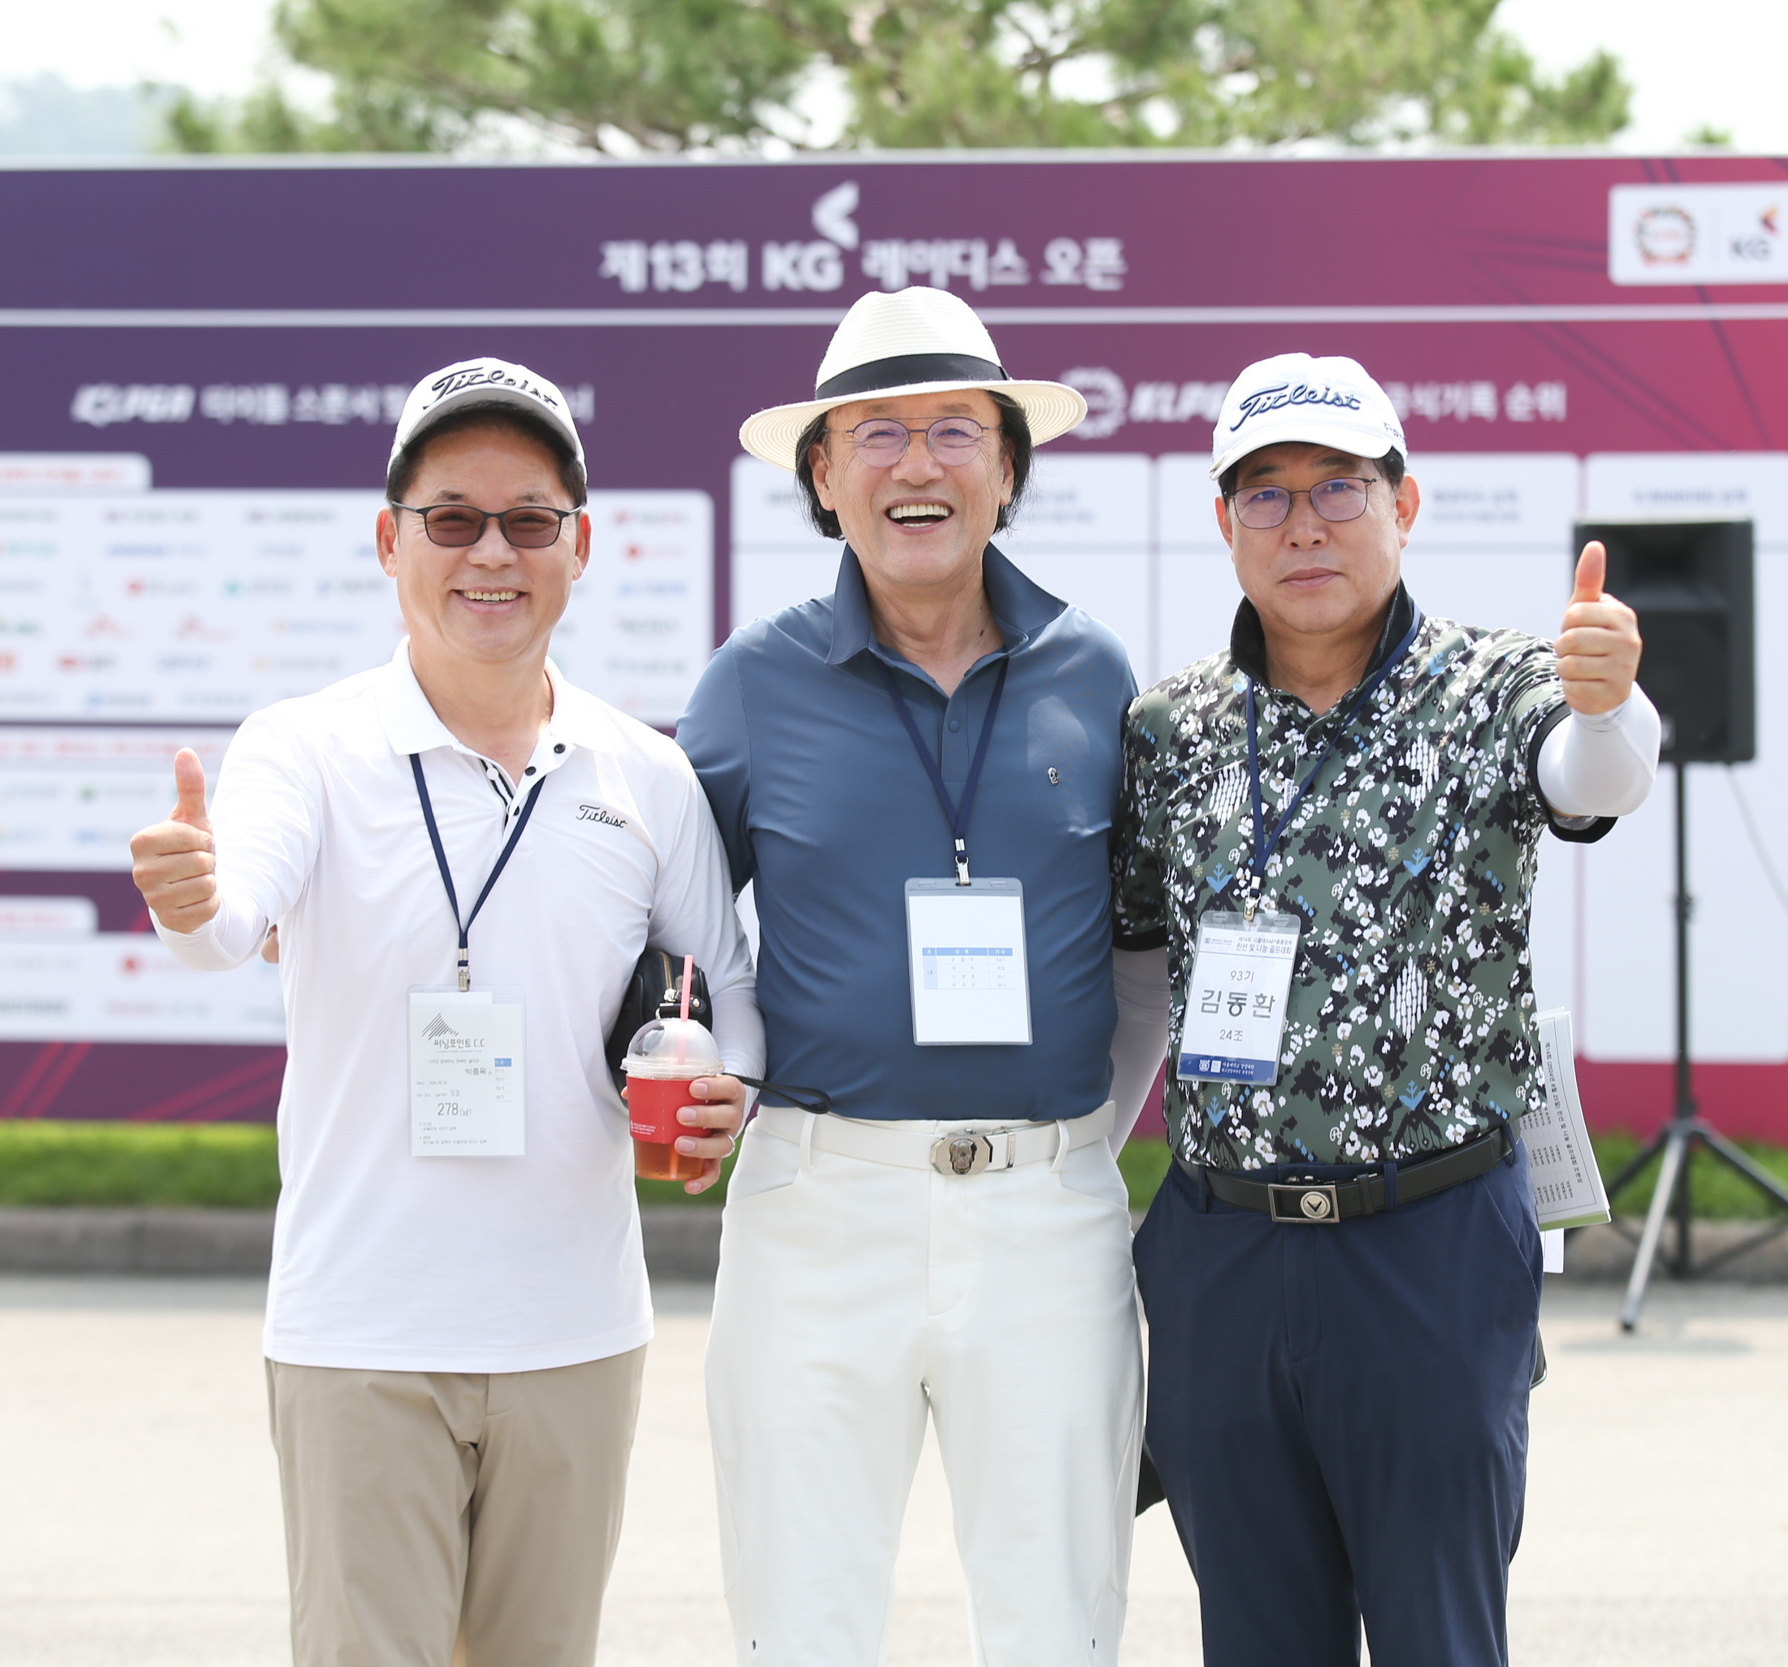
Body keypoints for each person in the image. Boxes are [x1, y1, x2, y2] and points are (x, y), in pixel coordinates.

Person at [127, 357, 760, 1667]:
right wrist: (191, 902)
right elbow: (230, 923)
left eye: (528, 520)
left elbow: (730, 993)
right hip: (362, 1331)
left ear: (580, 546)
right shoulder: (304, 748)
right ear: (389, 540)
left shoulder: (646, 775)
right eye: (452, 518)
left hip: (575, 1333)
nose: (491, 553)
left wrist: (727, 1095)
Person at [1111, 353, 1659, 1665]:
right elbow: (1135, 972)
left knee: (1438, 1636)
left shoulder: (1493, 687)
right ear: (1226, 523)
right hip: (1223, 1255)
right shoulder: (1169, 730)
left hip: (1428, 1247)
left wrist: (1611, 701)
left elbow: (1592, 774)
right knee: (1256, 1639)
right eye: (1266, 495)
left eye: (1338, 489)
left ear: (1403, 506)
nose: (1303, 524)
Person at [677, 286, 1170, 1666]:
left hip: (1049, 1214)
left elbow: (1139, 953)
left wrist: (1082, 1143)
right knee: (802, 1625)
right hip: (819, 1211)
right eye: (875, 434)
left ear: (1007, 470)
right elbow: (663, 926)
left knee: (1060, 1623)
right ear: (822, 478)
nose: (917, 464)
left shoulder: (1095, 673)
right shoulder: (753, 683)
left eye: (956, 429)